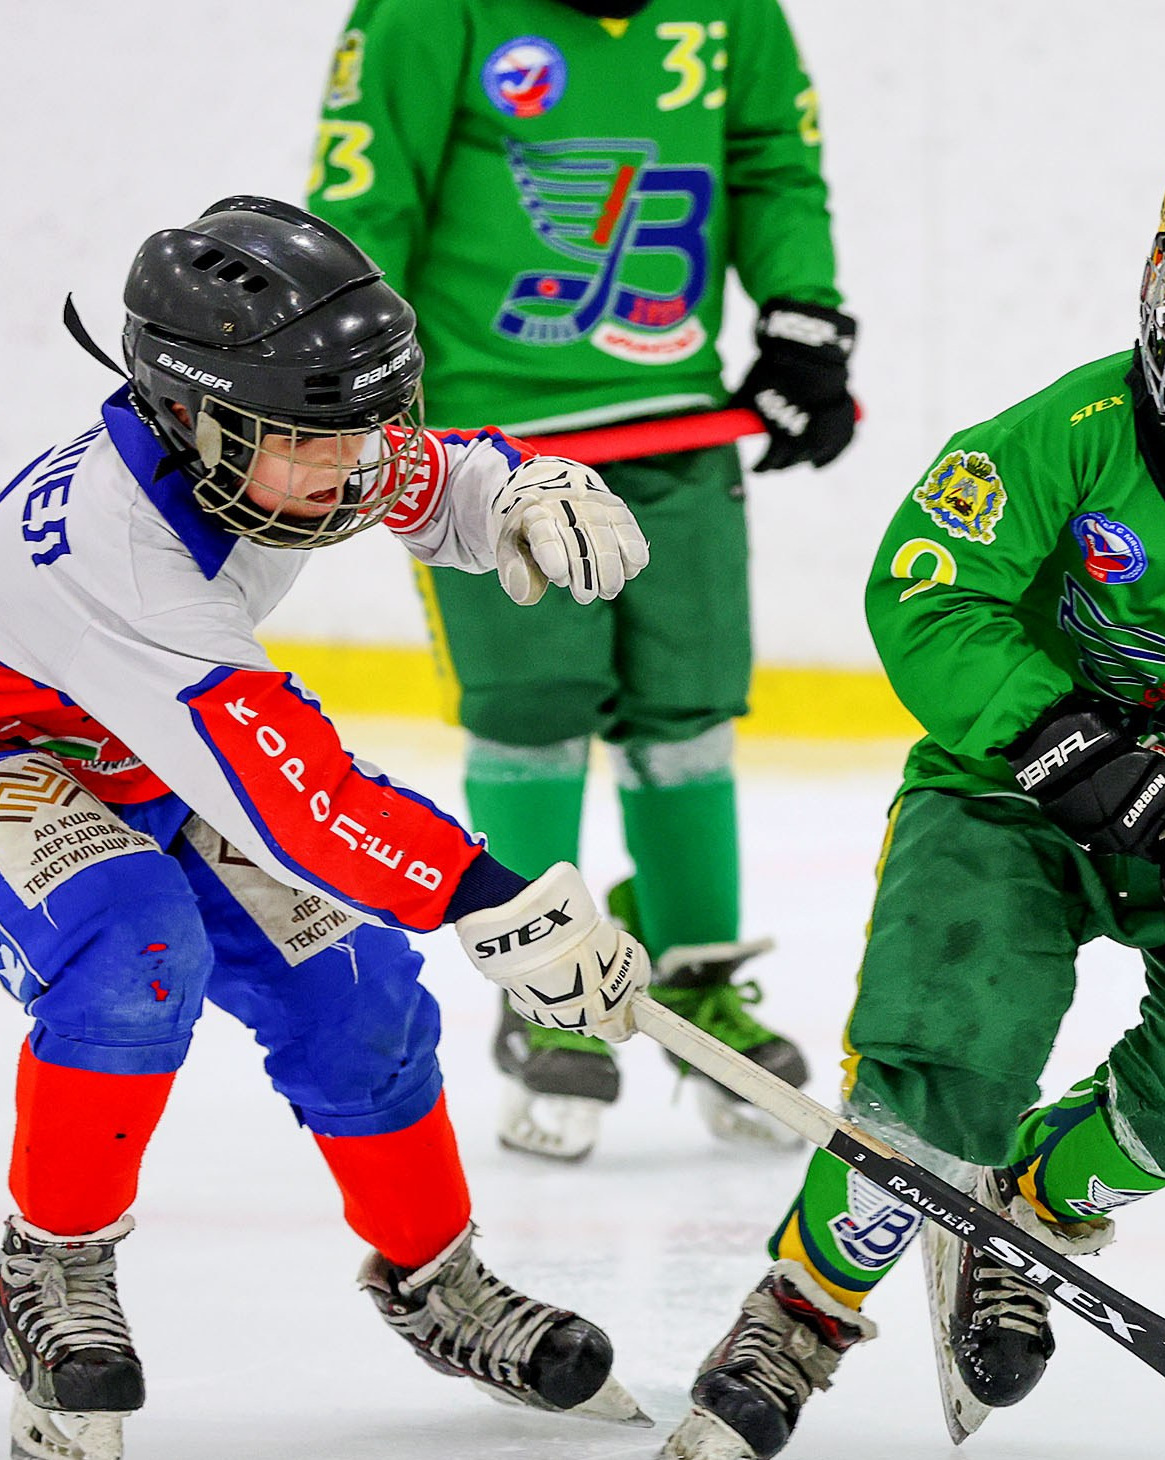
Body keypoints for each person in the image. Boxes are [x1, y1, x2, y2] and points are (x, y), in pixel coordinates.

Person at [0, 196, 658, 1460]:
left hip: (138, 733)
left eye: (370, 419)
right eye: (315, 438)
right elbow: (293, 790)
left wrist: (514, 490)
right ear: (195, 419)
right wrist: (500, 903)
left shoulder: (286, 443)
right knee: (133, 942)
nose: (358, 462)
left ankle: (440, 1280)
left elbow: (430, 477)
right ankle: (52, 1262)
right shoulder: (127, 563)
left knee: (359, 986)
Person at [654, 111, 1165, 1460]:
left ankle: (1034, 1203)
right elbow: (926, 593)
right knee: (947, 1060)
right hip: (1010, 792)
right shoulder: (1060, 438)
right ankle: (804, 1308)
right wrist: (1069, 747)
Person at [306, 0, 854, 1162]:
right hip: (490, 454)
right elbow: (365, 200)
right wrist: (356, 391)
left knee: (689, 716)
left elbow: (770, 157)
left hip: (677, 425)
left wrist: (804, 317)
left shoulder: (731, 13)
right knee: (534, 712)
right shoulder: (423, 12)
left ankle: (701, 978)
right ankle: (545, 993)